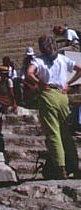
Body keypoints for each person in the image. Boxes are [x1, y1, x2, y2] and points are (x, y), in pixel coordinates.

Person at [27, 35, 81, 179]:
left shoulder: (38, 60)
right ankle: (74, 166)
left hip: (48, 94)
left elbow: (29, 73)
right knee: (66, 133)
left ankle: (60, 167)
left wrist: (40, 83)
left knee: (53, 133)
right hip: (63, 96)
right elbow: (80, 69)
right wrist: (69, 84)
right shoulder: (63, 59)